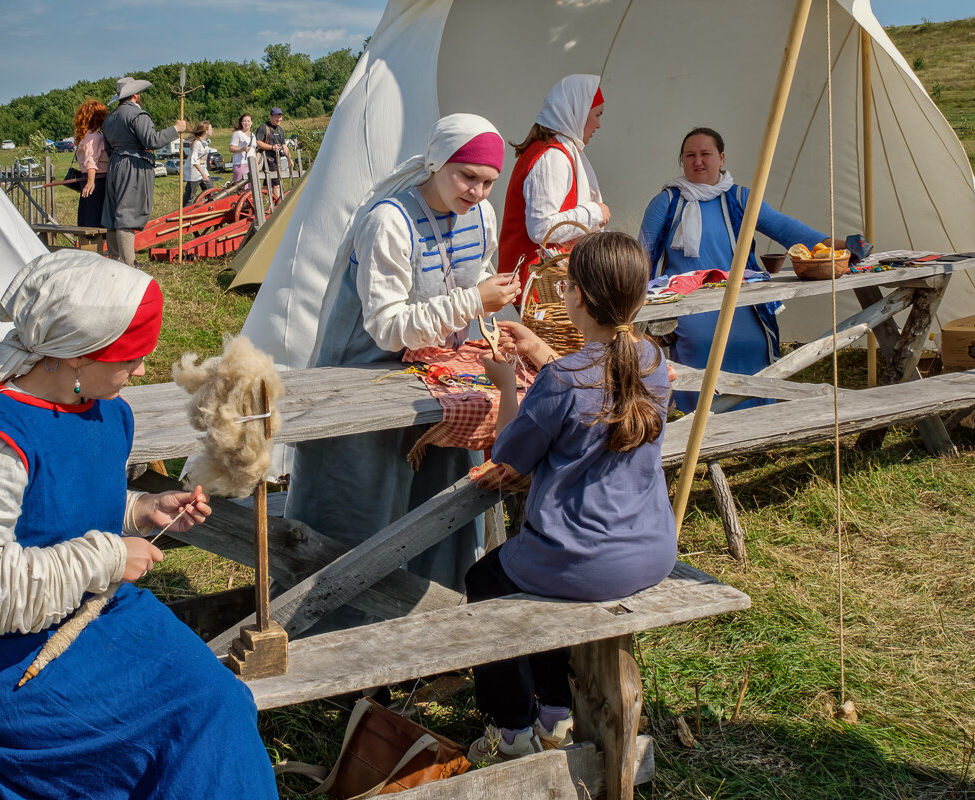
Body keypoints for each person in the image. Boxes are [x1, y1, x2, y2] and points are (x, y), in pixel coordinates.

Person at [0, 251, 278, 800]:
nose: (140, 371)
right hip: (11, 663)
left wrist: (140, 510)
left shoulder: (108, 411)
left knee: (221, 704)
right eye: (129, 358)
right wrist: (108, 558)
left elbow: (66, 507)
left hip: (105, 615)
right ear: (73, 355)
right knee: (183, 725)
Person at [285, 113, 520, 625]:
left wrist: (486, 317)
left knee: (438, 500)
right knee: (360, 507)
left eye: (487, 182)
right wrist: (473, 300)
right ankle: (336, 628)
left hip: (432, 377)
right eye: (467, 177)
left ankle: (431, 615)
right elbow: (388, 328)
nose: (478, 191)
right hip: (361, 376)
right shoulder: (388, 221)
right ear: (437, 163)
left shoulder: (480, 216)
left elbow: (473, 277)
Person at [465, 231, 676, 763]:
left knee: (486, 582)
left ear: (574, 294)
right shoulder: (651, 359)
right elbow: (603, 379)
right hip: (651, 550)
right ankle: (555, 711)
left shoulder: (562, 379)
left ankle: (511, 729)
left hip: (583, 560)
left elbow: (509, 454)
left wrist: (509, 382)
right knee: (539, 577)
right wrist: (541, 353)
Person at [638, 127, 840, 412]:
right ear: (682, 161)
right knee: (700, 341)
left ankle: (756, 415)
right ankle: (698, 419)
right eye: (690, 155)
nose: (698, 161)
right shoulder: (667, 202)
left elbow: (786, 229)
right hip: (688, 304)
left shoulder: (739, 198)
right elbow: (640, 256)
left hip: (739, 298)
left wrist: (836, 245)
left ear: (721, 158)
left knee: (754, 341)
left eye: (705, 154)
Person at [500, 74, 610, 288]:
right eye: (597, 115)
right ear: (577, 112)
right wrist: (594, 213)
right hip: (533, 290)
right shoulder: (552, 156)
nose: (598, 125)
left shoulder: (551, 151)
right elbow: (541, 228)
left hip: (537, 286)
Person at [101, 76, 186, 265]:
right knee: (126, 214)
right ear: (135, 95)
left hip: (115, 164)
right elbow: (152, 141)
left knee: (114, 214)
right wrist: (176, 129)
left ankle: (114, 260)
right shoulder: (137, 115)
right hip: (133, 166)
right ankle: (129, 262)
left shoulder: (110, 118)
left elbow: (108, 148)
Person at [73, 99, 109, 228]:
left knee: (87, 217)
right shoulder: (95, 137)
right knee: (94, 221)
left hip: (87, 178)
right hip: (97, 180)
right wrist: (91, 181)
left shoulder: (85, 136)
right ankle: (94, 247)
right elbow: (91, 160)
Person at [254, 107, 289, 198]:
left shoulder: (280, 130)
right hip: (267, 159)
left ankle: (254, 202)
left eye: (280, 117)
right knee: (276, 185)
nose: (279, 119)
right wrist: (272, 147)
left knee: (266, 187)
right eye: (277, 117)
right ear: (271, 117)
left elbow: (284, 146)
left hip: (277, 160)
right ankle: (280, 207)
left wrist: (290, 159)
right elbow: (258, 142)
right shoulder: (264, 127)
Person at [183, 120, 214, 205]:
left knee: (211, 192)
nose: (212, 130)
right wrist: (203, 173)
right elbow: (194, 160)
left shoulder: (204, 142)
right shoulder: (197, 143)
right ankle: (184, 211)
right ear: (206, 131)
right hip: (194, 173)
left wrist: (204, 173)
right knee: (190, 195)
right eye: (211, 129)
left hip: (203, 171)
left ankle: (210, 207)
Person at [229, 113, 257, 185]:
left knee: (251, 186)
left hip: (251, 163)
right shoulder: (238, 134)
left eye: (248, 121)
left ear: (251, 122)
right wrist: (242, 149)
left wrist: (256, 163)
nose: (246, 123)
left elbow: (254, 150)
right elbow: (231, 148)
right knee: (240, 186)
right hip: (240, 163)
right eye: (244, 121)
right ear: (241, 122)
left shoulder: (252, 135)